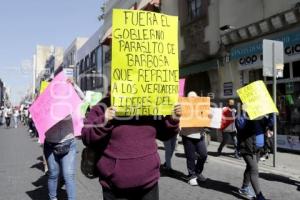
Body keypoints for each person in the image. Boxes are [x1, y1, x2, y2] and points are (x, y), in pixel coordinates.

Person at [81, 94, 181, 200]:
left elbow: (165, 134)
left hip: (149, 185)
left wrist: (173, 120)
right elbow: (86, 136)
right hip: (115, 189)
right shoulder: (103, 106)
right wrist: (104, 120)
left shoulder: (149, 103)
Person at [43, 78, 85, 200]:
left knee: (68, 175)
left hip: (69, 142)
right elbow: (38, 113)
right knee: (53, 174)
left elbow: (82, 98)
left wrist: (73, 85)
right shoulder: (46, 101)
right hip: (50, 143)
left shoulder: (68, 99)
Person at [236, 107, 273, 200]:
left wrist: (272, 114)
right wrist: (244, 111)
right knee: (254, 169)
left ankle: (244, 188)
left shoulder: (258, 113)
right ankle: (259, 195)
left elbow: (270, 124)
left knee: (250, 168)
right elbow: (240, 125)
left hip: (257, 148)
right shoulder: (241, 112)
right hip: (246, 147)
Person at [180, 91, 208, 186]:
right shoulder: (183, 107)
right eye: (190, 98)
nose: (193, 100)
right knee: (190, 157)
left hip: (199, 135)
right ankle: (191, 176)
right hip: (187, 135)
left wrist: (209, 117)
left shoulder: (202, 106)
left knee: (203, 155)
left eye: (195, 98)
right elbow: (177, 119)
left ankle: (198, 172)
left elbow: (208, 119)